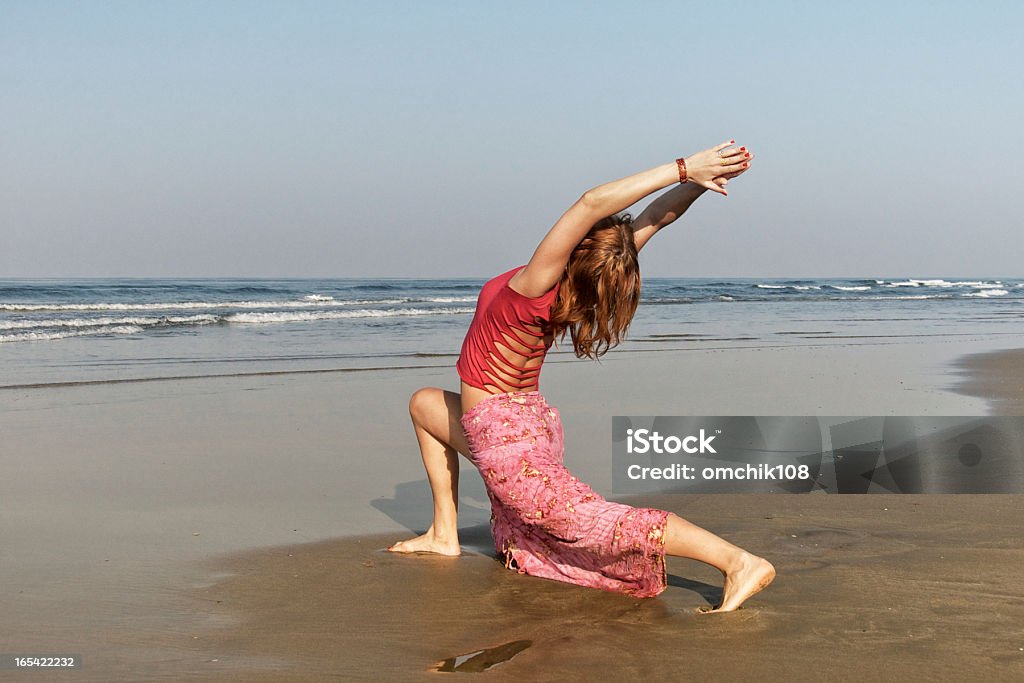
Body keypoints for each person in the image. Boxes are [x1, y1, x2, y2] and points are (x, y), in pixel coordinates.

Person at [388, 141, 775, 612]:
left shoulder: (535, 284)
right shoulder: (579, 283)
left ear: (575, 250)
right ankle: (444, 532)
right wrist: (696, 184)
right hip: (522, 424)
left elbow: (592, 202)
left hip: (506, 439)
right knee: (425, 402)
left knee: (587, 520)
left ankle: (736, 560)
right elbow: (658, 218)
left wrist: (683, 168)